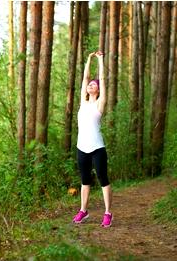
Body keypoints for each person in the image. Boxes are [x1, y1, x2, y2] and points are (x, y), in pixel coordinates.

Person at [72, 51, 113, 228]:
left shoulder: (99, 104)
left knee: (103, 179)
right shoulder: (83, 102)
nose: (90, 85)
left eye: (93, 85)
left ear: (97, 89)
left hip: (97, 148)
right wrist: (88, 59)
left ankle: (108, 213)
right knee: (84, 180)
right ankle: (83, 210)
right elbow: (85, 77)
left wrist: (101, 60)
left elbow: (102, 80)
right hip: (82, 147)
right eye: (89, 85)